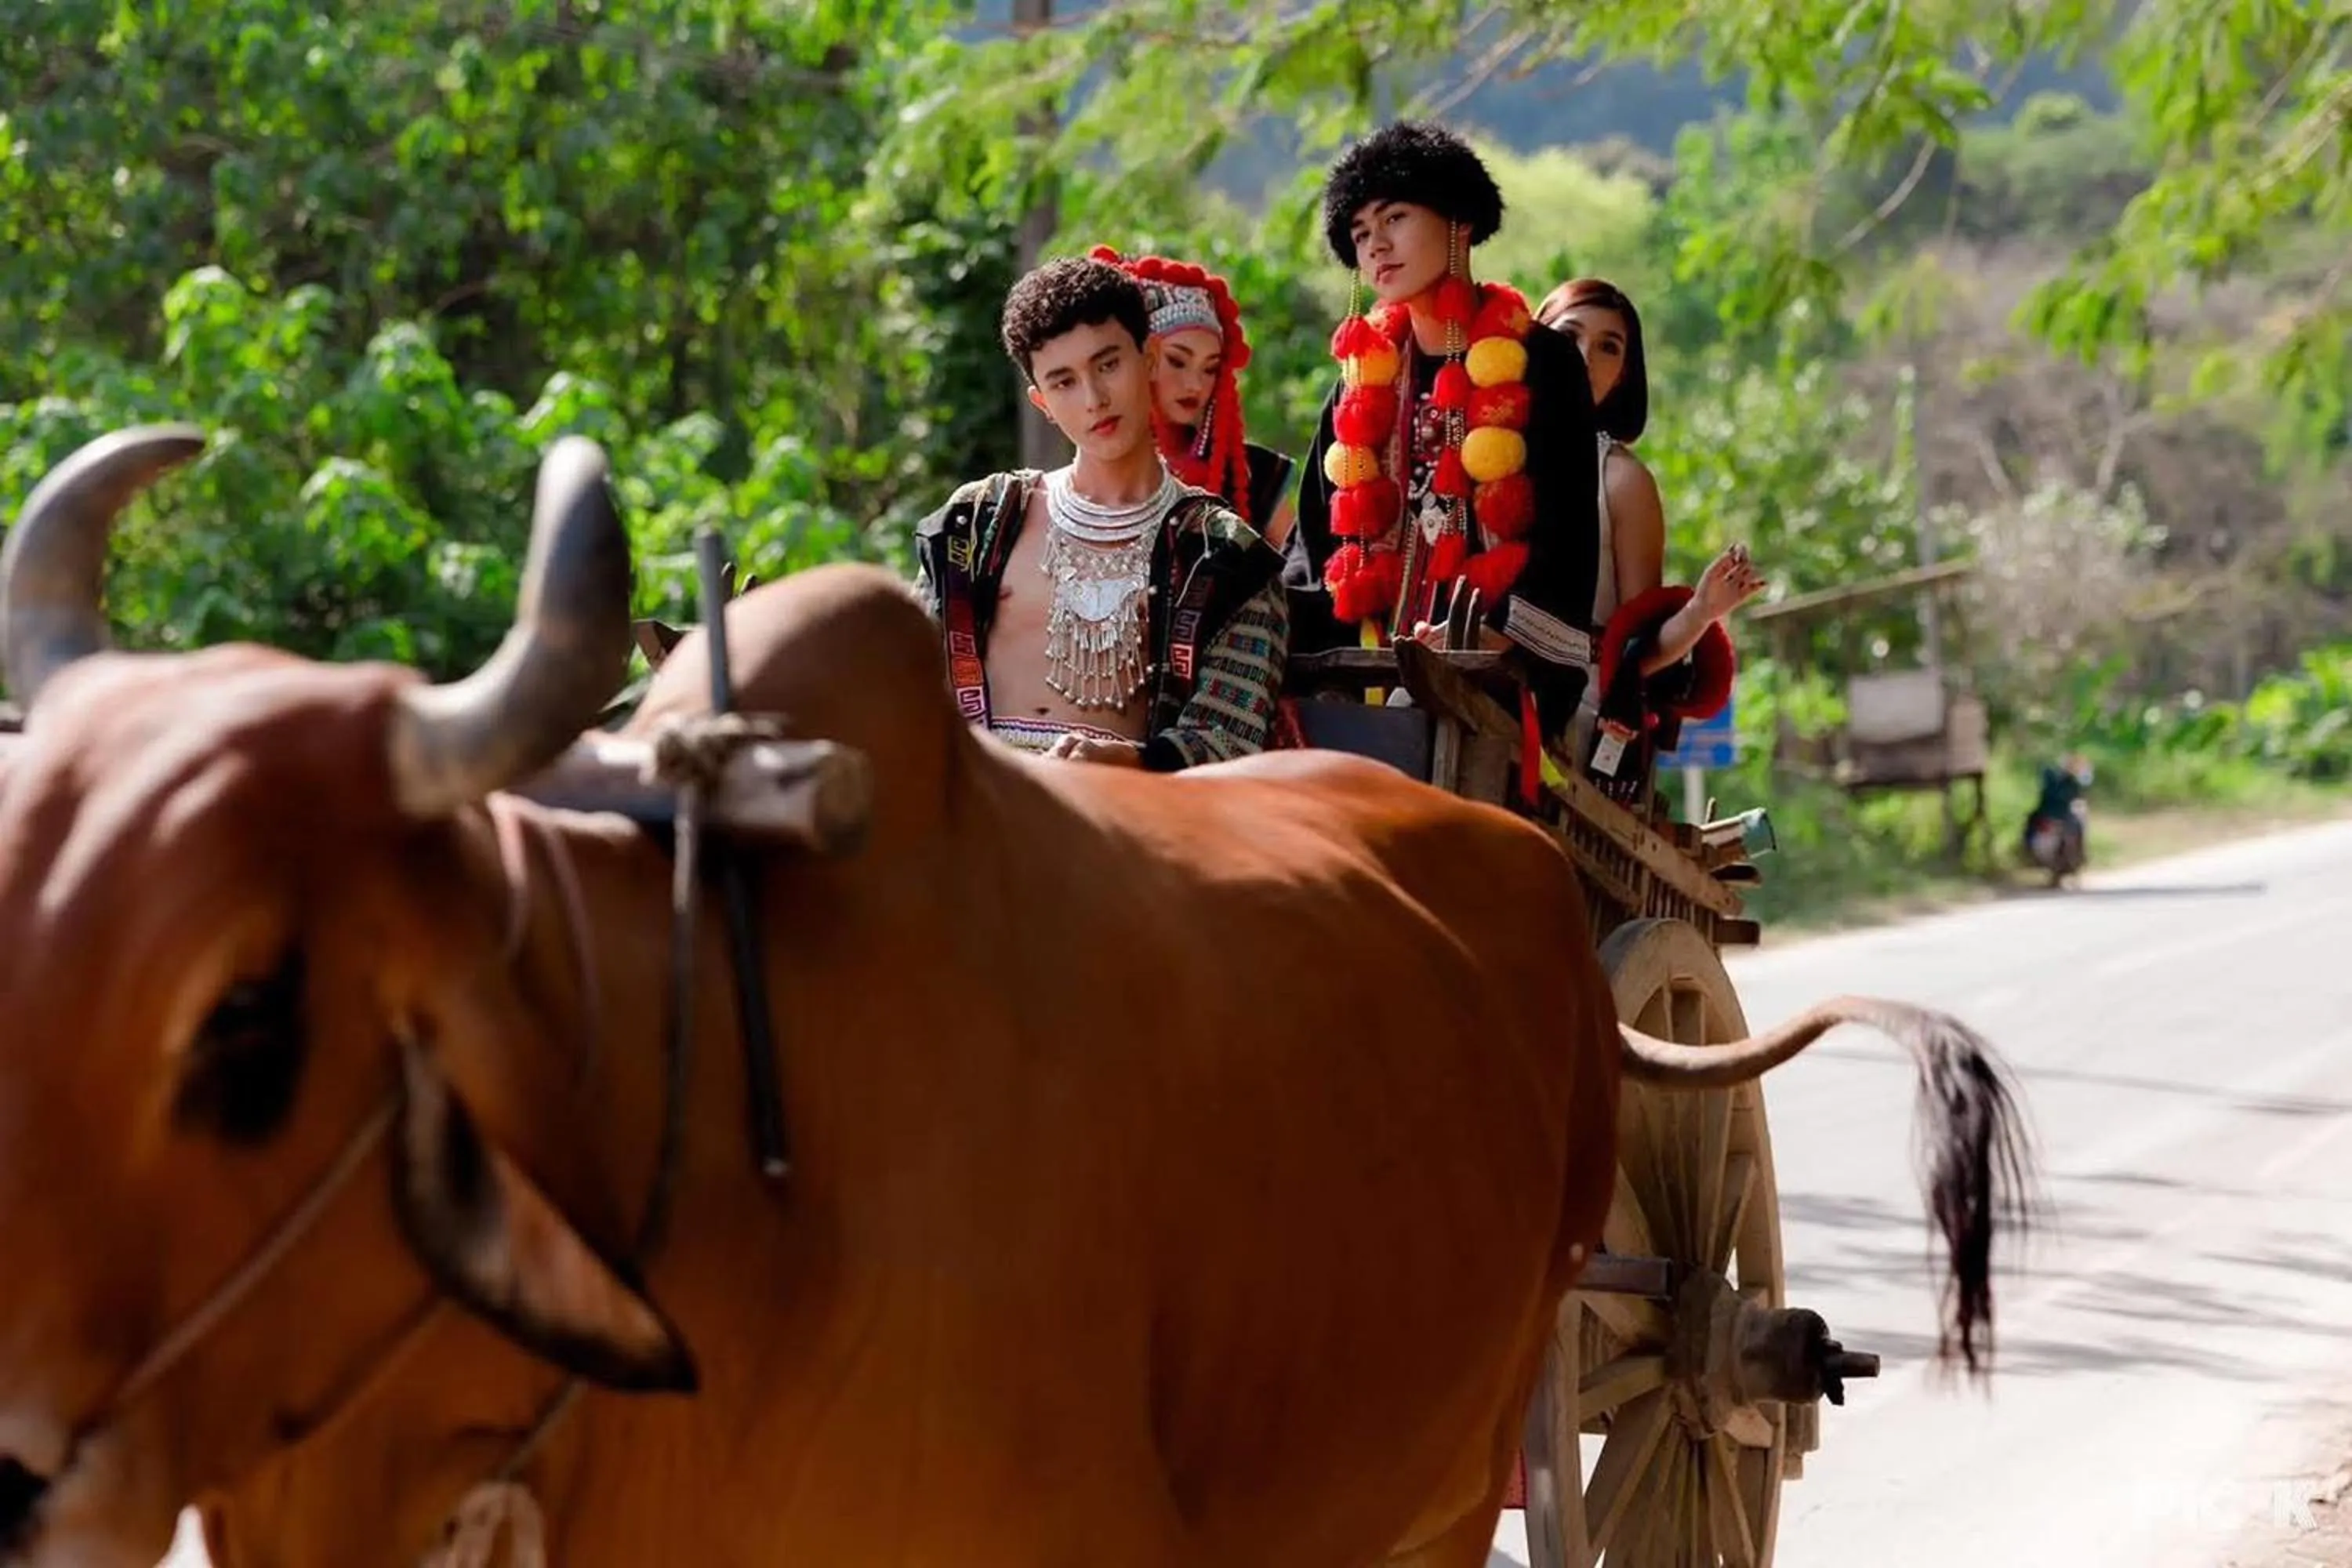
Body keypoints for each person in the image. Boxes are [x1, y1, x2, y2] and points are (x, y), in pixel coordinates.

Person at [1280, 119, 1606, 758]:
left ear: (1458, 222)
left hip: (1496, 658)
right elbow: (1314, 546)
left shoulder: (1542, 363)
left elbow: (1566, 538)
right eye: (1360, 233)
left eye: (1395, 218)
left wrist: (1483, 634)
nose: (1377, 245)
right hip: (1365, 657)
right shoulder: (1360, 381)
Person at [913, 254, 1290, 770]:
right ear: (1042, 403)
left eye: (1108, 365)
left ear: (1149, 360)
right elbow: (908, 679)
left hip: (1126, 809)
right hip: (975, 800)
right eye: (1063, 382)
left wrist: (1127, 761)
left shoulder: (1225, 555)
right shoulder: (976, 522)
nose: (1093, 399)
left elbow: (1229, 736)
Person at [1535, 277, 1764, 780]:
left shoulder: (1622, 481)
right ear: (1532, 340)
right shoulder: (1477, 447)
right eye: (1568, 335)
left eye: (1608, 347)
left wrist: (1701, 611)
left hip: (1568, 716)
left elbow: (1635, 648)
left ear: (1623, 375)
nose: (1584, 356)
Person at [1091, 245, 1299, 547]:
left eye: (1210, 369)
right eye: (1177, 361)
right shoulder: (1098, 468)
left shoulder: (1255, 474)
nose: (1194, 384)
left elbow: (1302, 571)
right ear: (1140, 360)